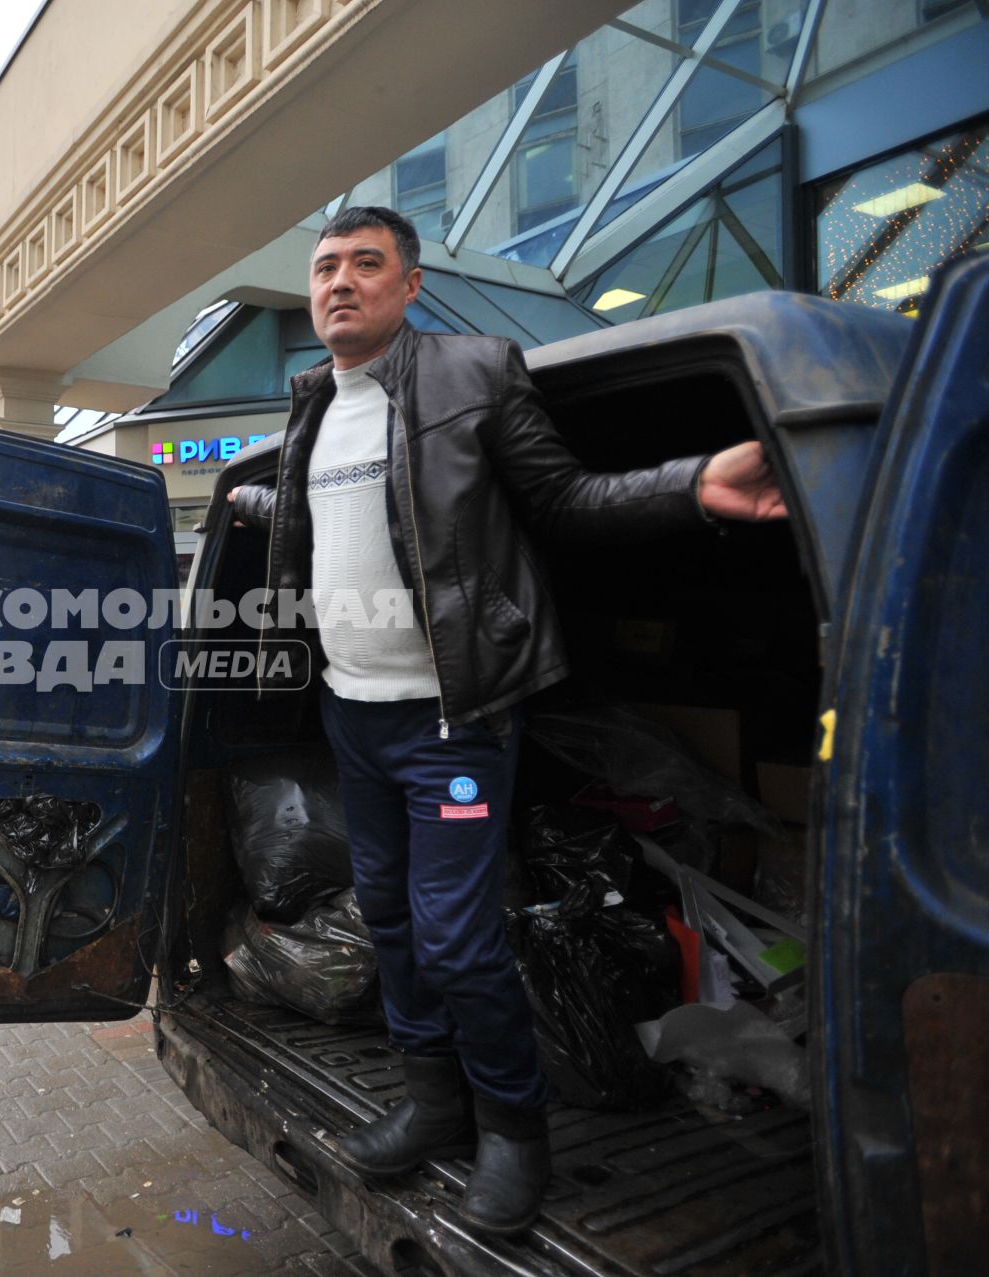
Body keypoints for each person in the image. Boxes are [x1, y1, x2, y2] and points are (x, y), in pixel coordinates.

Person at [227, 206, 785, 1236]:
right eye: (324, 268)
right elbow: (328, 515)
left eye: (364, 264)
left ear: (410, 285)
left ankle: (513, 1135)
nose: (339, 282)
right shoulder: (312, 401)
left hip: (459, 724)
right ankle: (433, 1105)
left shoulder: (474, 371)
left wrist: (691, 484)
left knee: (454, 935)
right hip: (355, 713)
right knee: (390, 919)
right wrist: (259, 517)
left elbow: (566, 500)